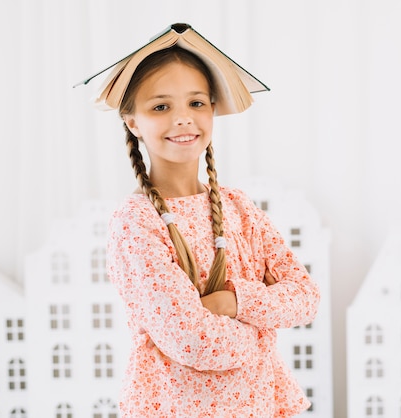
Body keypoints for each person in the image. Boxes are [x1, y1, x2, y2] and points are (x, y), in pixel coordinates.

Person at [95, 27, 320, 417]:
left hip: (259, 405)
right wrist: (264, 332)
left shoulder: (238, 208)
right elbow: (191, 339)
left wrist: (235, 302)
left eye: (196, 103)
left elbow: (304, 298)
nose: (183, 119)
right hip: (176, 407)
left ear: (212, 109)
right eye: (161, 107)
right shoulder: (136, 223)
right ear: (133, 122)